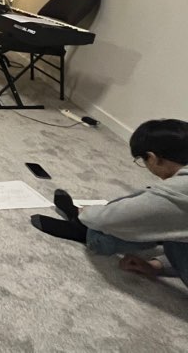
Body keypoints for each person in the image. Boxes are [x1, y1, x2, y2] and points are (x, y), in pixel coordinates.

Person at [31, 119, 188, 286]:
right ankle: (80, 222)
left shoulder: (178, 192)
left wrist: (85, 213)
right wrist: (159, 265)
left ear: (152, 158)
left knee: (134, 223)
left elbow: (116, 218)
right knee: (166, 223)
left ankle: (80, 228)